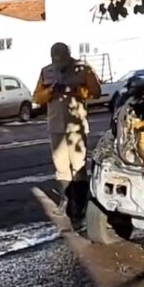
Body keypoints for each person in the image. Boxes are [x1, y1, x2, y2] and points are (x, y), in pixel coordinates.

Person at [33, 43, 101, 221]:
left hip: (76, 125)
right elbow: (37, 97)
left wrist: (76, 91)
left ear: (68, 56)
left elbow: (96, 91)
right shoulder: (46, 71)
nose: (58, 62)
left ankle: (79, 203)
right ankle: (66, 200)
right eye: (54, 58)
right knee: (61, 166)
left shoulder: (82, 69)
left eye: (61, 58)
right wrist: (49, 91)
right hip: (56, 125)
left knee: (78, 166)